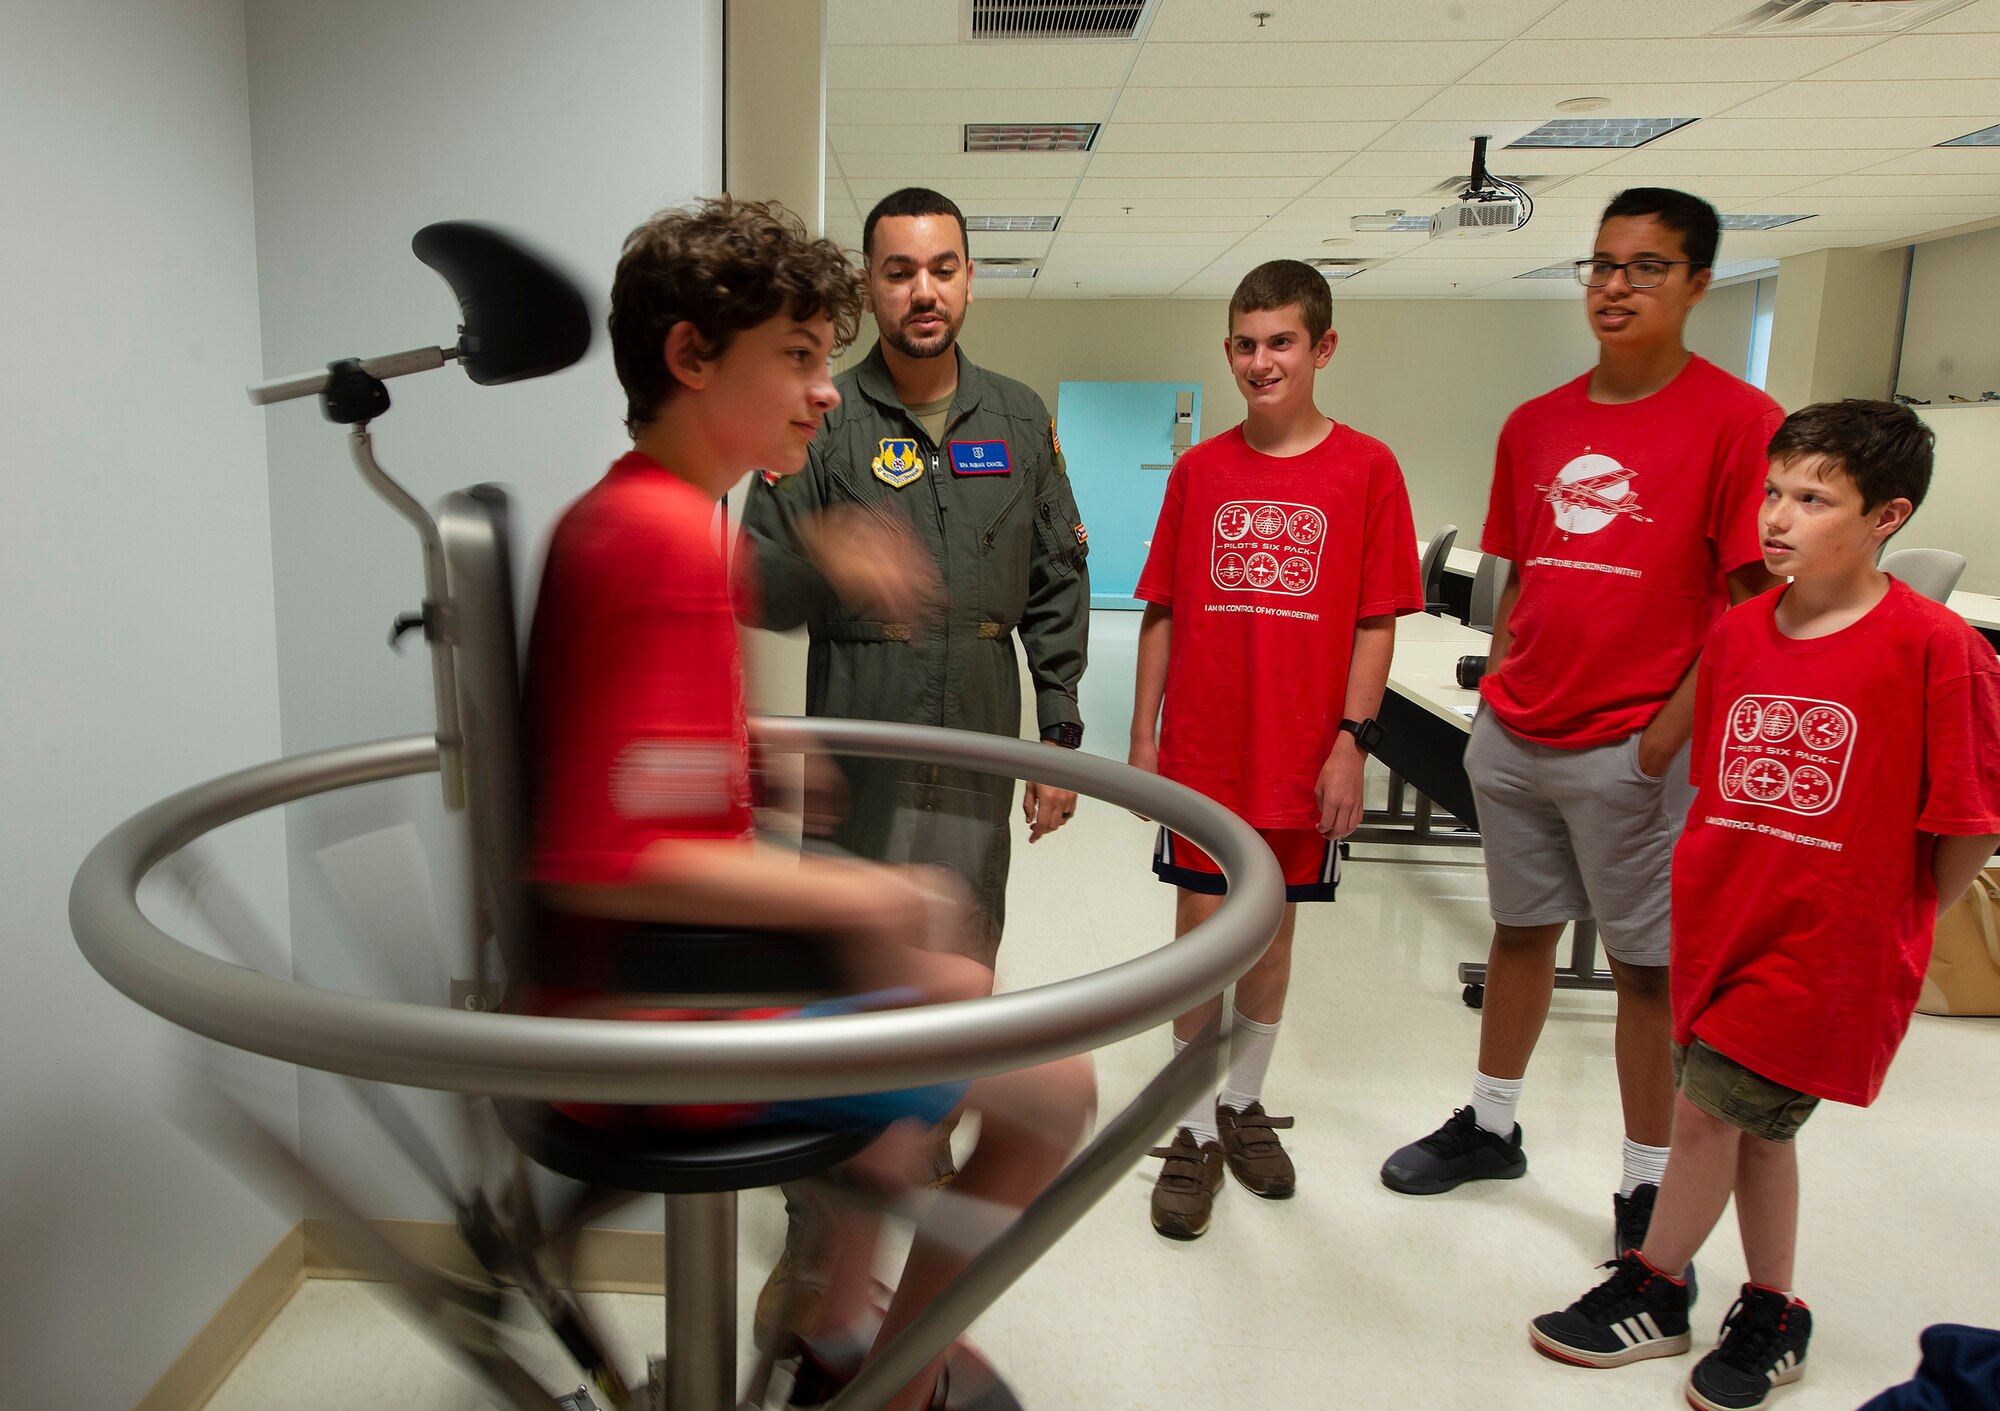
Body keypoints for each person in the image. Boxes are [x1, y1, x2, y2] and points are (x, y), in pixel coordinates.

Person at [520, 197, 1094, 1411]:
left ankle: (838, 1329)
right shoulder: (664, 541)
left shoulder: (647, 513)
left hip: (664, 976)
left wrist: (749, 757)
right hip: (657, 1018)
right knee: (1053, 1089)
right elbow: (595, 856)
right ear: (690, 357)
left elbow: (631, 774)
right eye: (792, 355)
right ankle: (887, 1376)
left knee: (950, 1004)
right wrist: (861, 886)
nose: (822, 386)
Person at [1528, 399, 2000, 1410]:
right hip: (1722, 921)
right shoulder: (1739, 632)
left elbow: (1965, 823)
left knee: (1704, 1120)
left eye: (1813, 499)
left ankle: (1653, 1285)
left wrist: (1894, 921)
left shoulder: (1935, 650)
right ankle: (1774, 1307)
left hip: (1827, 945)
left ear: (1886, 515)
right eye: (1773, 493)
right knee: (1756, 1131)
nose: (1777, 517)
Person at [1379, 189, 1784, 1265]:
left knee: (1644, 971)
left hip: (1633, 743)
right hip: (1517, 730)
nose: (1614, 286)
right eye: (1600, 265)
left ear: (1695, 284)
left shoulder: (1738, 425)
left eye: (1645, 267)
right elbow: (1518, 582)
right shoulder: (1536, 423)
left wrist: (1663, 739)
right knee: (1518, 935)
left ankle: (1644, 1183)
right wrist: (1494, 694)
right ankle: (1490, 1124)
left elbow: (1750, 611)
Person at [1132, 259, 1422, 1239]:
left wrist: (1351, 742)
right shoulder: (1198, 470)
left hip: (1303, 755)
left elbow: (1376, 620)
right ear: (1228, 351)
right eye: (1246, 344)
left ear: (1321, 348)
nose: (1261, 360)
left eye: (1281, 342)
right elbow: (1162, 609)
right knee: (1200, 936)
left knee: (1271, 936)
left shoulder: (1367, 469)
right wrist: (1143, 734)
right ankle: (1184, 1130)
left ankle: (1239, 1102)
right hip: (1207, 751)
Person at [736, 186, 1090, 970]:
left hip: (979, 736)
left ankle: (945, 1099)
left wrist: (1058, 731)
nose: (922, 291)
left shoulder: (1020, 419)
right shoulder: (819, 420)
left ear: (969, 279)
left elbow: (1057, 576)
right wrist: (825, 551)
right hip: (861, 740)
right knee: (845, 955)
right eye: (899, 272)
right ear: (869, 284)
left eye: (942, 268)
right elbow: (754, 578)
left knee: (962, 943)